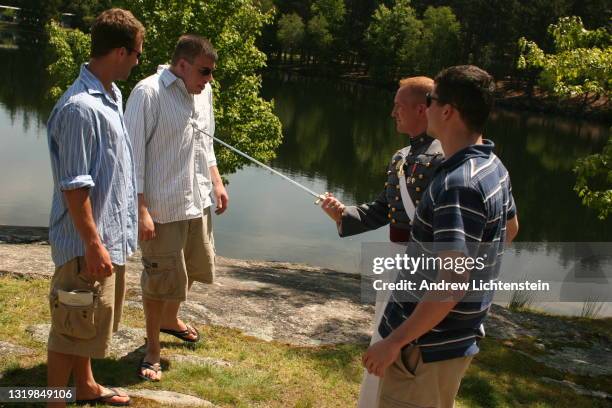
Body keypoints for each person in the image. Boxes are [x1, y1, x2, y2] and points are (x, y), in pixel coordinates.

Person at [362, 65, 520, 408]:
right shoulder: (493, 166)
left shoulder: (457, 184)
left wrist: (393, 343)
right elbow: (510, 230)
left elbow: (451, 282)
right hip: (452, 342)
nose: (427, 106)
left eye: (431, 100)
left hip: (424, 349)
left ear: (447, 111)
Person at [320, 76, 444, 408]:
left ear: (421, 109)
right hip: (394, 258)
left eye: (398, 106)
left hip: (423, 264)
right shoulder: (402, 156)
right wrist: (342, 214)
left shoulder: (445, 158)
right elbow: (382, 210)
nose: (393, 113)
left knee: (408, 342)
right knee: (383, 331)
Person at [45, 8, 144, 407]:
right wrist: (92, 243)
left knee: (88, 317)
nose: (138, 60)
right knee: (70, 324)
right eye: (136, 53)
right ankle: (52, 400)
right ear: (119, 52)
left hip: (104, 238)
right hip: (84, 246)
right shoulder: (80, 108)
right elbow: (74, 186)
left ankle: (84, 386)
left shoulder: (111, 95)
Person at [125, 34, 228, 382]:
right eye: (204, 71)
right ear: (181, 65)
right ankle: (152, 348)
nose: (209, 79)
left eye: (211, 72)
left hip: (196, 200)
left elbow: (206, 141)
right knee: (159, 281)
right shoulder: (147, 93)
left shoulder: (204, 93)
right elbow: (131, 158)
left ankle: (171, 320)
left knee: (194, 268)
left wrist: (215, 181)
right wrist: (141, 209)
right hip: (161, 208)